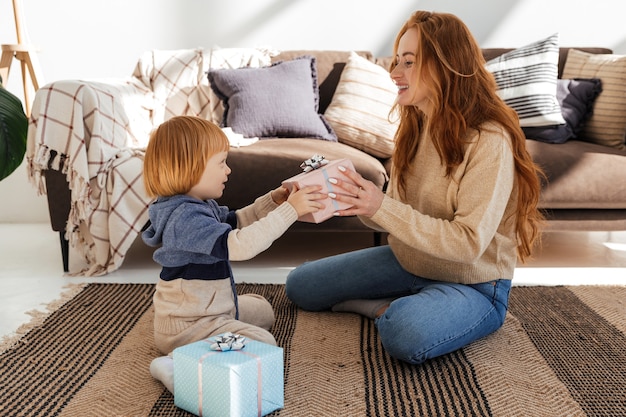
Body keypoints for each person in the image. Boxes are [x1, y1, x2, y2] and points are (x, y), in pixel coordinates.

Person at [285, 10, 545, 365]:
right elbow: (394, 215)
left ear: (445, 65)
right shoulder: (415, 126)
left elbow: (468, 243)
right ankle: (397, 305)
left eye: (408, 62)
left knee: (406, 333)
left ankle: (390, 310)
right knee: (301, 285)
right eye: (397, 61)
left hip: (474, 284)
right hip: (409, 261)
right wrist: (359, 202)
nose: (394, 74)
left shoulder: (489, 139)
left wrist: (381, 207)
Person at [142, 115, 324, 392]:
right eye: (221, 163)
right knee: (264, 342)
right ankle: (176, 362)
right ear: (191, 167)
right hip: (188, 327)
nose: (228, 171)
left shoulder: (199, 205)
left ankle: (210, 336)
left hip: (209, 310)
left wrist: (272, 201)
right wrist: (292, 211)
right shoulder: (185, 218)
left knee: (262, 310)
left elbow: (237, 222)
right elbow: (241, 245)